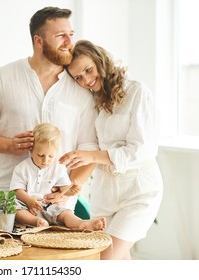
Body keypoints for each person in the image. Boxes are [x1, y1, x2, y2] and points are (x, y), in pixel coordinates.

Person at [0, 7, 98, 211]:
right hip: (6, 198)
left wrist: (69, 190)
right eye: (61, 36)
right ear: (39, 41)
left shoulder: (81, 89)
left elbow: (90, 148)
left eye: (70, 35)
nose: (70, 42)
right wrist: (9, 145)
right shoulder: (1, 78)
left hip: (58, 206)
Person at [61, 40, 163, 259]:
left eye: (88, 70)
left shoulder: (136, 92)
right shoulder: (91, 101)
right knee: (116, 261)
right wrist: (70, 183)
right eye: (78, 77)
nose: (86, 80)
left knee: (105, 262)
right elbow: (88, 144)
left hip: (138, 191)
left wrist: (92, 156)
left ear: (100, 60)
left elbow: (141, 150)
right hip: (104, 193)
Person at [10, 123, 106, 231]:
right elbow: (16, 191)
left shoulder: (58, 168)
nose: (45, 161)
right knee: (13, 207)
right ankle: (36, 221)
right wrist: (28, 200)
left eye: (50, 156)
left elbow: (64, 190)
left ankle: (82, 223)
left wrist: (73, 190)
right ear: (31, 150)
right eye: (40, 155)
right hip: (26, 206)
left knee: (65, 213)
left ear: (56, 152)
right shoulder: (22, 168)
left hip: (49, 206)